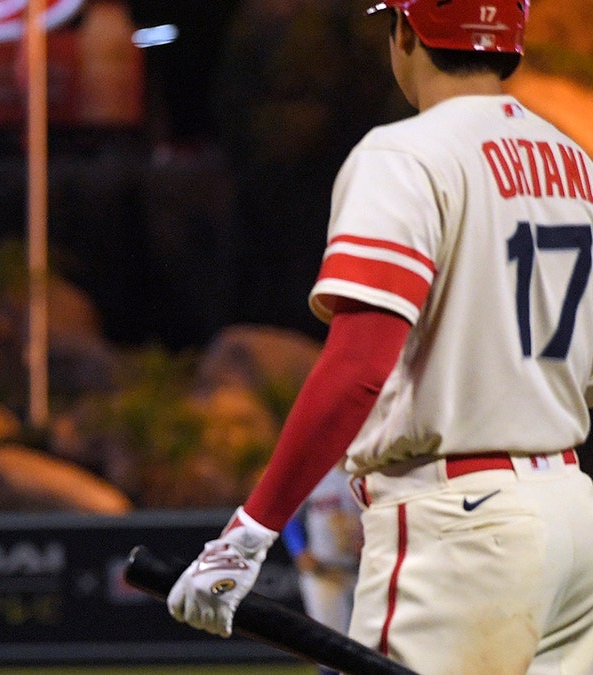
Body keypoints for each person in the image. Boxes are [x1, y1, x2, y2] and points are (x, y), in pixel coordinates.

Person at [166, 1, 593, 673]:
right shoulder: (572, 161)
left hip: (462, 523)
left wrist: (247, 532)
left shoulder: (402, 154)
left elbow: (359, 366)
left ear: (407, 32)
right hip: (571, 510)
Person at [280, 461, 361, 675]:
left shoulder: (366, 473)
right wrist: (299, 550)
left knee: (368, 647)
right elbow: (287, 514)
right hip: (323, 572)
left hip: (363, 571)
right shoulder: (317, 475)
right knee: (329, 650)